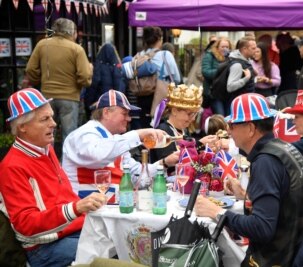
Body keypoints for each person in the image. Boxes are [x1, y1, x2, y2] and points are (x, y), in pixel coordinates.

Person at [195, 93, 303, 266]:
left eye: (232, 125)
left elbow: (262, 228)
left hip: (277, 258)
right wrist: (245, 195)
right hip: (296, 251)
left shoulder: (266, 162)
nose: (228, 131)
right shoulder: (283, 148)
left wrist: (216, 212)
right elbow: (283, 202)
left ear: (250, 128)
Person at [0, 88, 106, 267]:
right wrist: (77, 207)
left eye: (51, 116)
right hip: (45, 248)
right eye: (45, 119)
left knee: (126, 240)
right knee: (110, 253)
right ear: (22, 127)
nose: (54, 123)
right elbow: (25, 224)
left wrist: (81, 208)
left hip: (71, 232)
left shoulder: (45, 148)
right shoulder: (12, 166)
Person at [62, 90, 179, 203]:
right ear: (106, 113)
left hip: (113, 208)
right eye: (125, 114)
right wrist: (138, 134)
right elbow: (98, 155)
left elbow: (136, 175)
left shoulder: (116, 140)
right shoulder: (83, 134)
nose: (129, 118)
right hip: (87, 213)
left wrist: (165, 163)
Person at [25, 18, 93, 145]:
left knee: (46, 133)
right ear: (71, 32)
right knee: (69, 135)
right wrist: (82, 83)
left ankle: (46, 163)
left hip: (46, 96)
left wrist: (39, 81)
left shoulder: (42, 45)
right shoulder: (77, 49)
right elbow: (84, 76)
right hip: (70, 96)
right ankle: (65, 164)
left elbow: (30, 69)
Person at [149, 84, 218, 174]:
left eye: (195, 114)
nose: (193, 119)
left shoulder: (183, 130)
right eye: (189, 114)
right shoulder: (163, 131)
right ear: (174, 111)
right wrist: (200, 144)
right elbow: (172, 162)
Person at [134, 26, 181, 129]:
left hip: (142, 96)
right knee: (161, 127)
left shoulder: (138, 56)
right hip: (160, 96)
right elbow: (176, 78)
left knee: (145, 127)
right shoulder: (165, 54)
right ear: (160, 39)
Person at [84, 43, 125, 118]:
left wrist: (88, 103)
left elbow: (93, 85)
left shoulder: (98, 67)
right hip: (114, 103)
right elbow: (120, 86)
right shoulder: (117, 68)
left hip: (100, 102)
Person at [225, 36, 257, 113]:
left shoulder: (247, 61)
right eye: (253, 48)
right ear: (244, 49)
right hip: (238, 106)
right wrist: (246, 78)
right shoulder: (237, 65)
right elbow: (230, 87)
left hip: (245, 103)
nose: (255, 51)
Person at [201, 36, 232, 114]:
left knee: (229, 117)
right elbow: (205, 72)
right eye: (222, 46)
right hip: (214, 94)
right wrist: (221, 71)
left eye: (227, 47)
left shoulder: (230, 58)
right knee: (220, 116)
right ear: (217, 47)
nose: (225, 48)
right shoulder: (209, 56)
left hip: (227, 94)